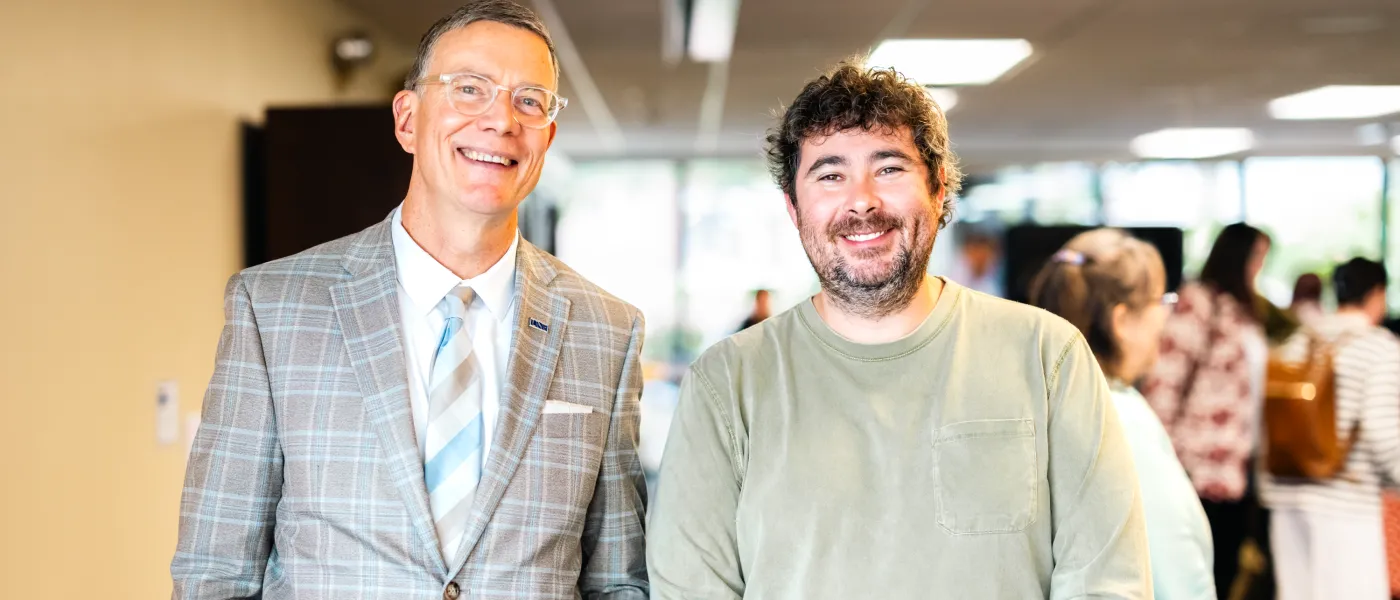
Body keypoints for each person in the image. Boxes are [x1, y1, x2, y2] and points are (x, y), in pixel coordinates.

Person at [171, 2, 648, 598]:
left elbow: (618, 582)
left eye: (529, 100)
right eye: (470, 89)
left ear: (546, 137)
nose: (501, 120)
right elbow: (216, 572)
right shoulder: (273, 309)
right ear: (407, 119)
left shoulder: (607, 329)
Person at [647, 61, 1150, 599]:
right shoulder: (727, 385)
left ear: (939, 191)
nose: (861, 200)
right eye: (830, 174)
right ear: (795, 210)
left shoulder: (1048, 357)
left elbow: (1106, 583)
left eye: (889, 168)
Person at [1029, 229, 1216, 600]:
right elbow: (1171, 556)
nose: (1166, 313)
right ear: (1121, 320)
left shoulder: (1034, 400)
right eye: (1160, 299)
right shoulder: (1120, 416)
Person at [1143, 222, 1273, 599]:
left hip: (1239, 464)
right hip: (1198, 464)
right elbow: (1166, 380)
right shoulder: (1199, 301)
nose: (1259, 265)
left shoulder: (1244, 309)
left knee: (1229, 565)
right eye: (1257, 256)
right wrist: (1162, 455)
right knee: (1202, 569)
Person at [1261, 258, 1400, 600]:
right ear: (1377, 294)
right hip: (1346, 504)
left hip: (1286, 497)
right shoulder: (1379, 347)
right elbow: (1381, 429)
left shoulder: (1298, 341)